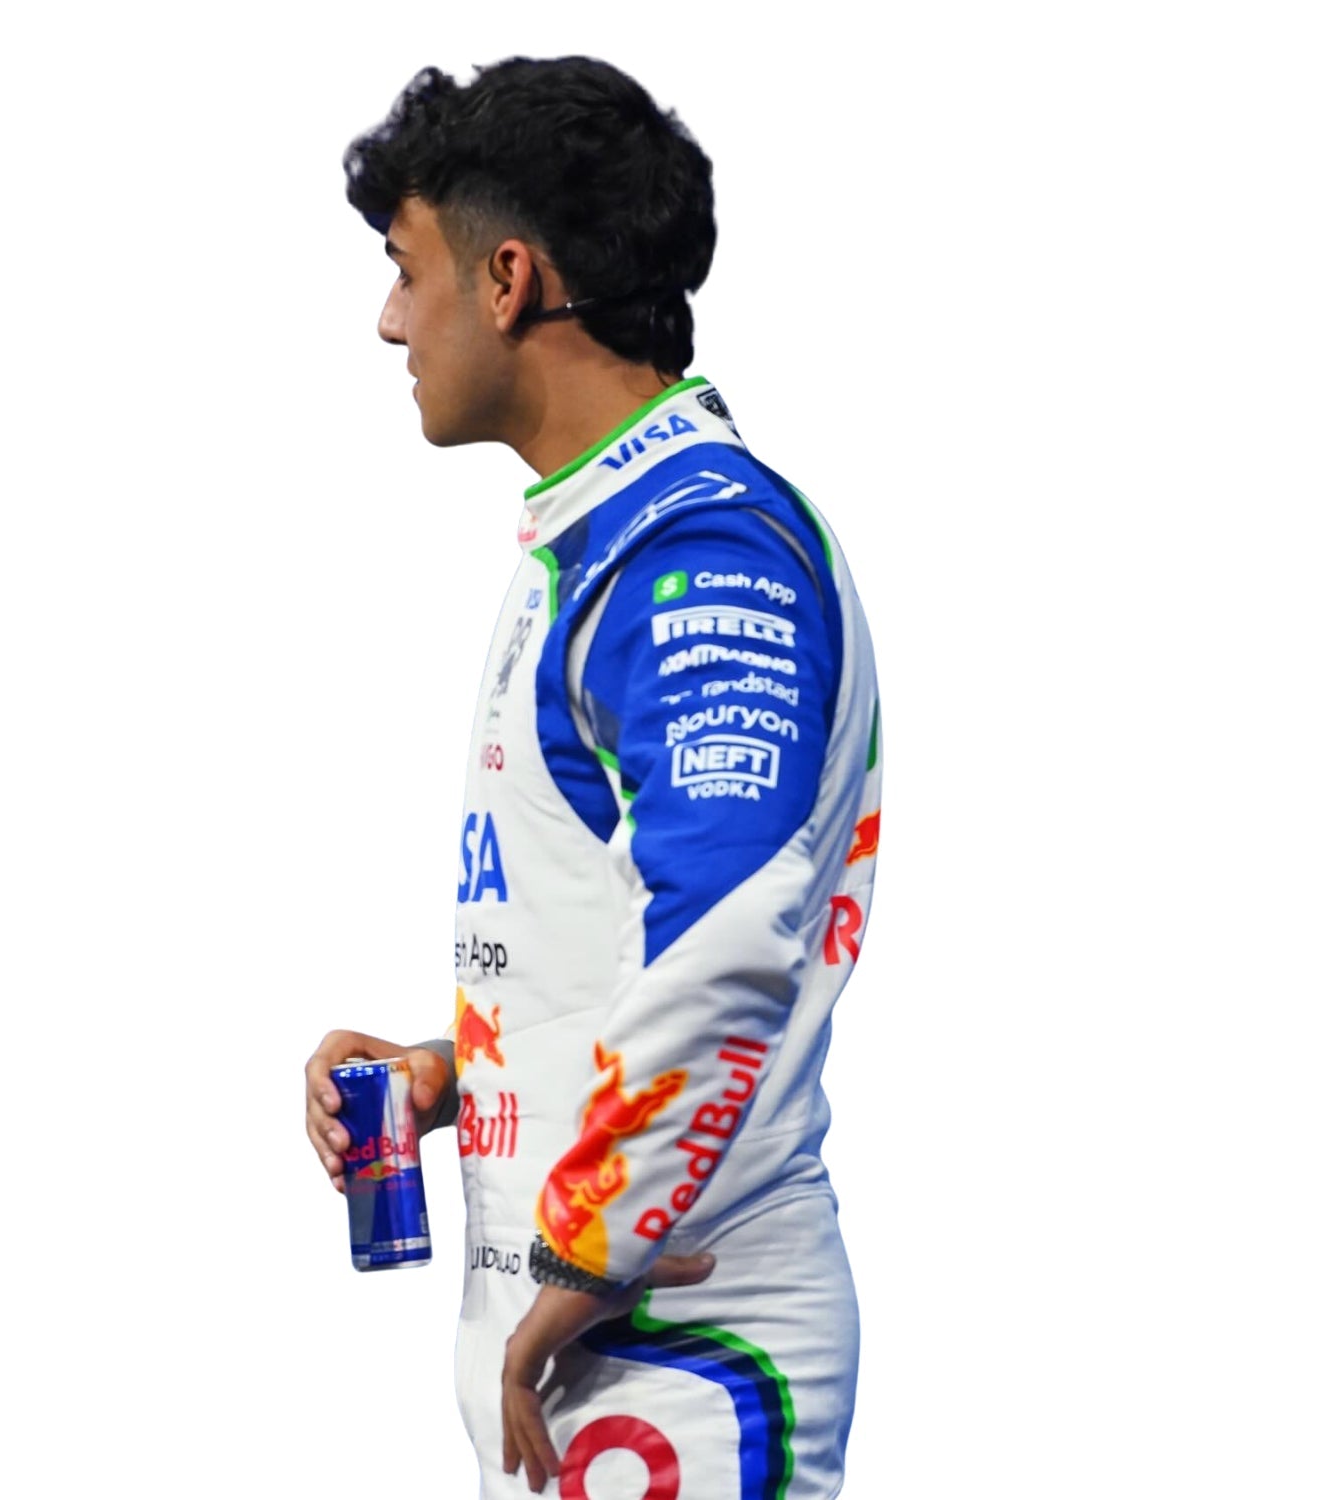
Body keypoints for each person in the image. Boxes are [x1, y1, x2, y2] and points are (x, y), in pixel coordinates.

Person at [303, 56, 883, 1499]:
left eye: (407, 270)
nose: (390, 320)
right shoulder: (608, 532)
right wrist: (454, 1075)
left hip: (679, 1352)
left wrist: (580, 1260)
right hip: (600, 1355)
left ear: (509, 279)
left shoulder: (697, 549)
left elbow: (724, 933)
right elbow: (622, 942)